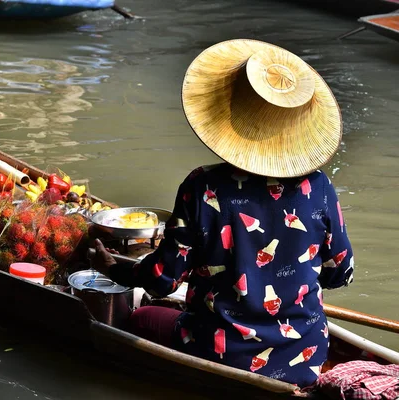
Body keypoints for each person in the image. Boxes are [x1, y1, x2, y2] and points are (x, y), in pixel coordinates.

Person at [92, 39, 355, 388]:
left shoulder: (203, 185)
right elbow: (340, 273)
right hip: (306, 353)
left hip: (219, 349)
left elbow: (164, 279)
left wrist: (121, 270)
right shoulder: (319, 186)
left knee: (141, 316)